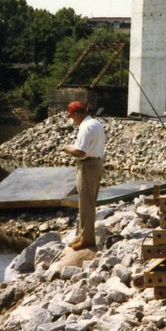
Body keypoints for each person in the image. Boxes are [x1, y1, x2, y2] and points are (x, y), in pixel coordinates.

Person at [62, 101, 105, 250]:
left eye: (72, 117)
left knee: (86, 203)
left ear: (77, 114)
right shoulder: (95, 124)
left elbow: (80, 152)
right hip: (96, 163)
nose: (72, 120)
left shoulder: (86, 127)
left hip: (87, 165)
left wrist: (67, 148)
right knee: (87, 202)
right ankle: (84, 234)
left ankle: (87, 239)